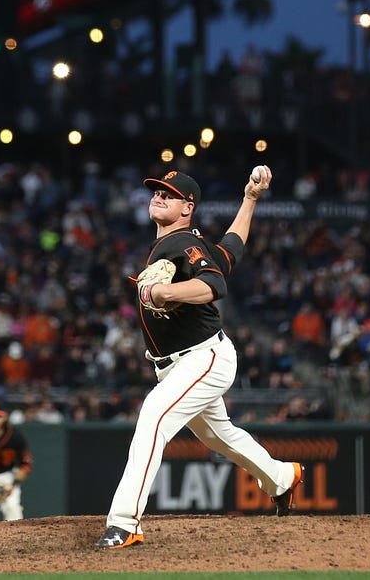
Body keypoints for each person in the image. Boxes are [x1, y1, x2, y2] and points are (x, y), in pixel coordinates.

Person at [94, 166, 304, 550]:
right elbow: (230, 251)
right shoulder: (185, 245)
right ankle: (281, 478)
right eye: (156, 192)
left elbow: (213, 285)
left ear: (187, 207)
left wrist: (163, 294)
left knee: (154, 415)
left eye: (168, 195)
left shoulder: (181, 243)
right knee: (219, 435)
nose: (158, 197)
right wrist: (250, 199)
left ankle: (125, 522)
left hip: (204, 358)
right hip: (182, 363)